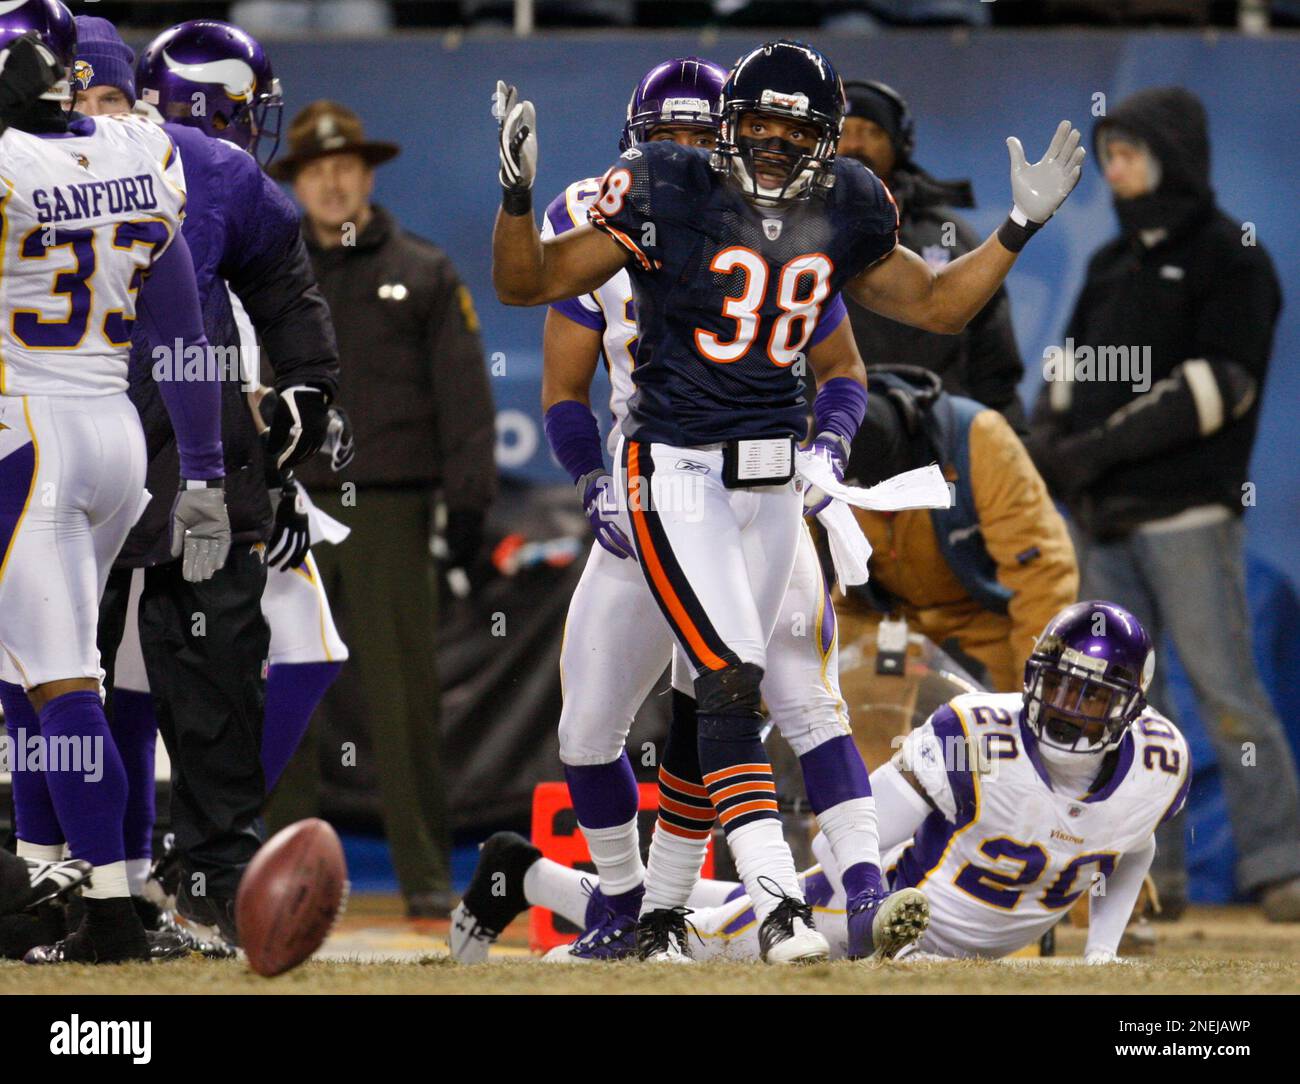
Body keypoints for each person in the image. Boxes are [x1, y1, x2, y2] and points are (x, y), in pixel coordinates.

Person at [492, 38, 1085, 960]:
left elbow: (932, 305)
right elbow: (524, 283)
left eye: (792, 128)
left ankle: (672, 916)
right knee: (693, 690)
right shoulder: (662, 189)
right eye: (756, 123)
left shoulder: (845, 204)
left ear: (826, 138)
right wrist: (517, 199)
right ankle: (770, 910)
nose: (770, 143)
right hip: (672, 466)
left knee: (749, 697)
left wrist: (1017, 226)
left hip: (770, 485)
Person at [516, 56, 927, 964]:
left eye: (701, 135)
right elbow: (559, 388)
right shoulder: (619, 217)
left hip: (760, 485)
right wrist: (591, 482)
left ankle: (828, 896)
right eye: (668, 139)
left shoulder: (777, 223)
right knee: (589, 731)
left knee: (767, 695)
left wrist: (825, 448)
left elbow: (844, 364)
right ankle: (631, 904)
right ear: (637, 149)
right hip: (654, 488)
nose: (688, 153)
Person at [57, 16, 349, 946]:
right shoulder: (25, 165)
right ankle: (57, 871)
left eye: (112, 99)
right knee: (55, 669)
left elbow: (284, 289)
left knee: (214, 660)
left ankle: (214, 871)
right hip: (64, 441)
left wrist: (308, 389)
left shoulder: (208, 172)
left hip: (181, 442)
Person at [453, 601, 1186, 964]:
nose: (1067, 707)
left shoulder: (1160, 764)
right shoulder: (977, 733)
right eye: (1060, 686)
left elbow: (1132, 845)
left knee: (727, 906)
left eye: (1092, 696)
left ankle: (524, 874)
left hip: (924, 939)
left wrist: (1101, 956)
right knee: (671, 945)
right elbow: (850, 845)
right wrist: (869, 929)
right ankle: (556, 943)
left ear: (1130, 705)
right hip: (864, 921)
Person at [1026, 87, 1299, 922]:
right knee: (1125, 704)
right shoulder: (1112, 263)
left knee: (1227, 692)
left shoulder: (1232, 257)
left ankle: (1279, 865)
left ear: (1175, 154)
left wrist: (1088, 452)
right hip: (1101, 522)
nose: (1114, 168)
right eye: (1107, 154)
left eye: (1129, 152)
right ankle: (1151, 875)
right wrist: (1043, 447)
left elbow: (1216, 390)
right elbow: (1067, 372)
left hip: (1186, 517)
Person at [0, 3, 230, 963]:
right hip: (116, 436)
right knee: (28, 657)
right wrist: (208, 469)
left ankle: (109, 908)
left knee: (62, 679)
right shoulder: (140, 147)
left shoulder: (10, 162)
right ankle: (51, 867)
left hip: (29, 437)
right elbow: (183, 324)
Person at [270, 101, 497, 918]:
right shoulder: (269, 270)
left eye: (346, 165)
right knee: (283, 698)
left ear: (367, 175)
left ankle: (428, 881)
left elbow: (466, 403)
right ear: (294, 182)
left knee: (403, 701)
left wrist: (467, 511)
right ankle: (282, 882)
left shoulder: (425, 269)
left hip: (392, 510)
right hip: (285, 504)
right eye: (314, 168)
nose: (332, 180)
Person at [835, 364, 1078, 693]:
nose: (880, 508)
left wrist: (1034, 697)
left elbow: (1043, 576)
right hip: (880, 624)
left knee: (1002, 734)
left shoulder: (980, 440)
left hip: (988, 624)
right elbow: (794, 584)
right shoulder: (817, 454)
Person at [837, 80, 1026, 429]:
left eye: (871, 132)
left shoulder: (950, 234)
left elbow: (994, 366)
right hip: (825, 433)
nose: (853, 145)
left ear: (900, 145)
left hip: (933, 436)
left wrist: (1011, 441)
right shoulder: (794, 229)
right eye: (843, 131)